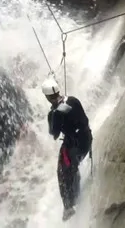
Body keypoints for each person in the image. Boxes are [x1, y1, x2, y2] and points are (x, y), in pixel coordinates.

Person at [41, 78, 92, 221]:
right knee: (71, 167)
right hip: (86, 139)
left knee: (62, 172)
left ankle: (69, 206)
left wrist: (54, 115)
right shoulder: (73, 100)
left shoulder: (54, 114)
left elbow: (54, 134)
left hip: (74, 146)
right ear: (58, 90)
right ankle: (76, 188)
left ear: (47, 97)